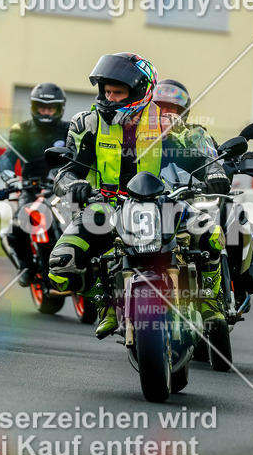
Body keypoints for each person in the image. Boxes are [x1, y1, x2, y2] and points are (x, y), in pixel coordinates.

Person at [48, 54, 228, 337]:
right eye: (106, 91)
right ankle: (107, 304)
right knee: (61, 265)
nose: (109, 97)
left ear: (141, 91)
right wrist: (74, 186)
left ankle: (209, 301)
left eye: (118, 92)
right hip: (105, 208)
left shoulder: (166, 123)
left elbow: (202, 156)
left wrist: (215, 173)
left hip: (163, 204)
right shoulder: (87, 124)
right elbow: (66, 172)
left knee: (210, 232)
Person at [0, 82, 69, 286]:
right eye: (41, 107)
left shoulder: (70, 129)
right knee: (17, 228)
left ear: (60, 109)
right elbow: (7, 158)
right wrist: (10, 176)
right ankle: (26, 267)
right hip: (31, 188)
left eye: (50, 108)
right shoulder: (22, 130)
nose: (46, 112)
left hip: (63, 188)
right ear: (34, 108)